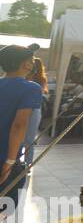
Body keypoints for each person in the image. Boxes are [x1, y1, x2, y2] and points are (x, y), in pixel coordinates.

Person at [0, 45, 44, 206]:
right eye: (31, 60)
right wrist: (10, 161)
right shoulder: (31, 88)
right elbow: (19, 124)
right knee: (5, 206)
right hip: (6, 155)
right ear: (26, 64)